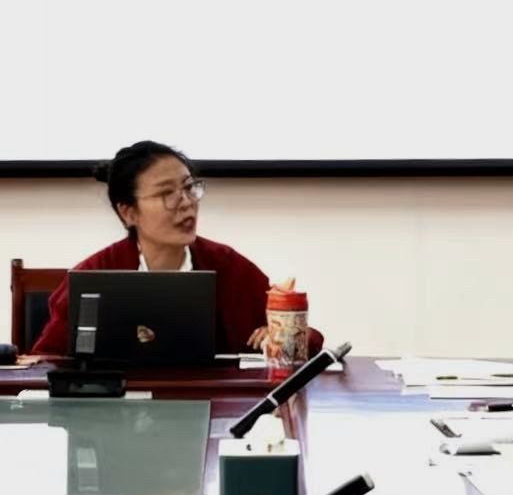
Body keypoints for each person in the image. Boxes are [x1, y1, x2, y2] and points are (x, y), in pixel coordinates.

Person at [31, 140, 323, 357]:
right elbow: (45, 361)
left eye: (189, 187)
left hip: (212, 407)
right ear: (128, 212)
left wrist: (283, 336)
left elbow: (306, 339)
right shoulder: (95, 274)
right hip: (119, 411)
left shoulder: (227, 265)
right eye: (167, 193)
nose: (186, 202)